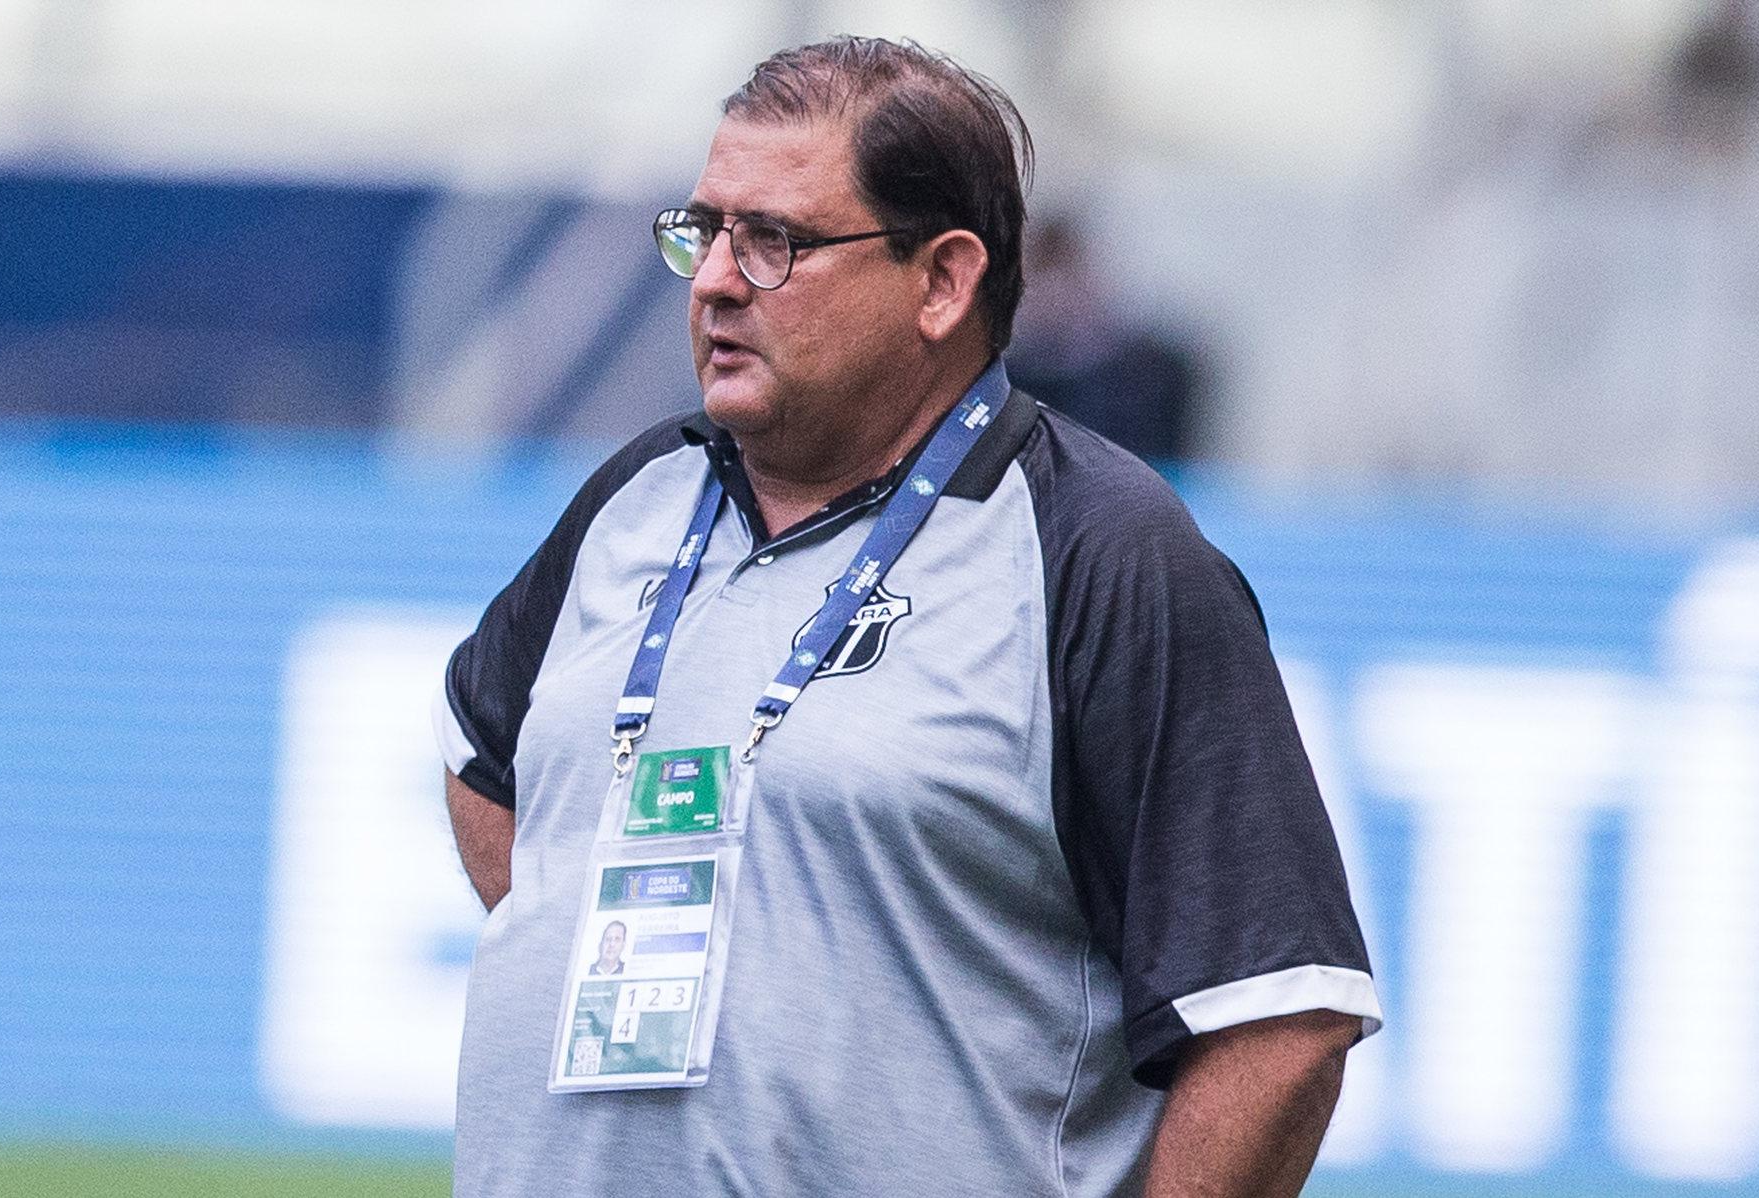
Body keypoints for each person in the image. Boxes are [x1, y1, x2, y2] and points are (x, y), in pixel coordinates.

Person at [434, 36, 1379, 1196]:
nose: (714, 280)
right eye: (703, 229)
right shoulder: (635, 496)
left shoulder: (1099, 550)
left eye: (773, 240)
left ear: (941, 281)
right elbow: (484, 762)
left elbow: (1278, 1020)